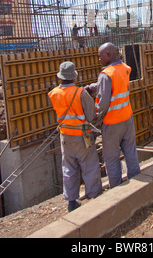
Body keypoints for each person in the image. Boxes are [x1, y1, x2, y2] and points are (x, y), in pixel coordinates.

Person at [48, 61, 102, 212]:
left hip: (65, 135)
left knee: (69, 168)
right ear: (74, 76)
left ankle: (72, 201)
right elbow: (91, 116)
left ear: (60, 77)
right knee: (89, 165)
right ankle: (94, 196)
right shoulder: (81, 93)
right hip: (82, 135)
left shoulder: (53, 93)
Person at [85, 43, 140, 188]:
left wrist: (94, 117)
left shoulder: (105, 75)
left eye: (100, 56)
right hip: (127, 118)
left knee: (111, 158)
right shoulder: (124, 68)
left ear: (108, 54)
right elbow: (116, 85)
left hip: (112, 122)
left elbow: (102, 105)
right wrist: (94, 87)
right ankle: (136, 182)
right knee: (130, 152)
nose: (99, 59)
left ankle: (116, 188)